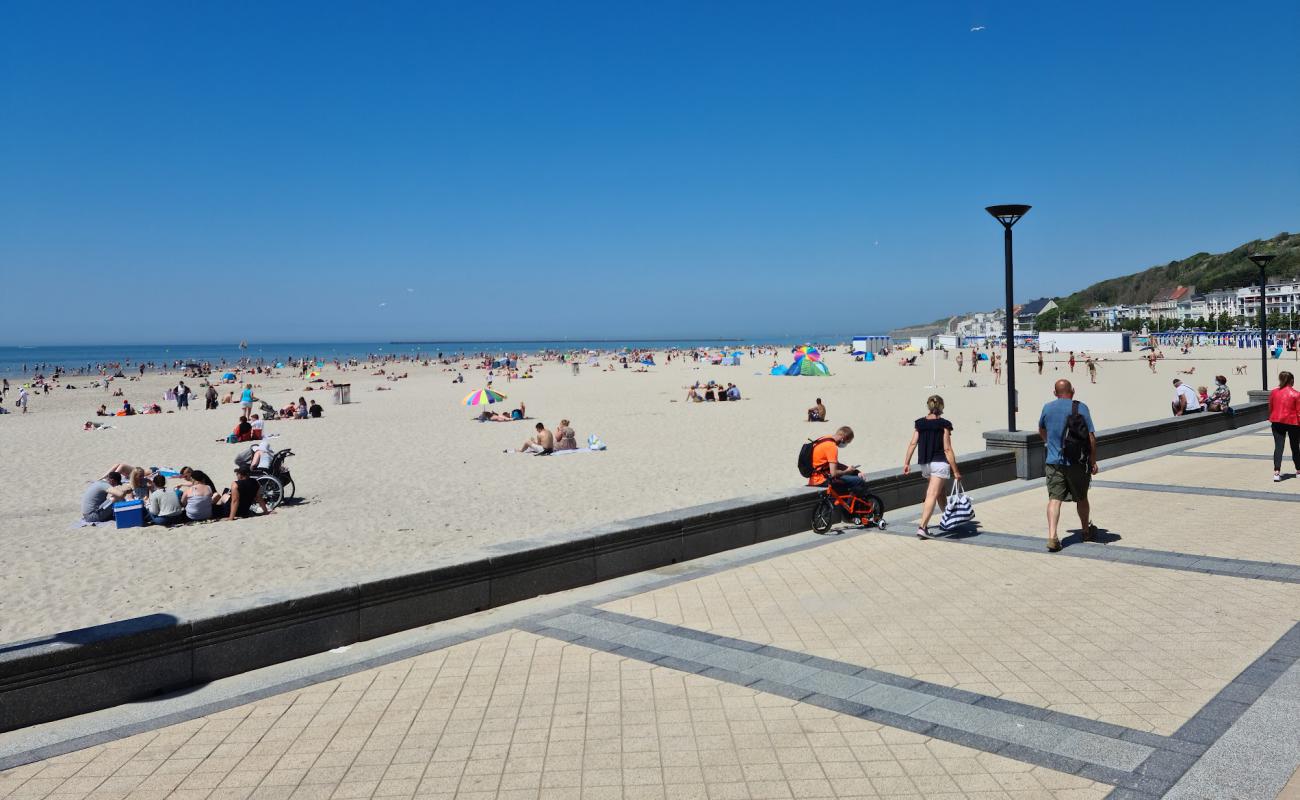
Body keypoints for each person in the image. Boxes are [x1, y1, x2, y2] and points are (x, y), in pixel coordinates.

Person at [1037, 379, 1098, 552]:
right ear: (1073, 390)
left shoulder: (1047, 407)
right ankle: (1086, 531)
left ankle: (1052, 536)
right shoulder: (1081, 407)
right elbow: (1092, 438)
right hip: (1076, 462)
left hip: (1054, 461)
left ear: (1054, 392)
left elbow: (1041, 429)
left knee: (1054, 499)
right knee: (1082, 497)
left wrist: (1049, 443)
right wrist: (1093, 461)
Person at [902, 395, 961, 540]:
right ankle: (923, 527)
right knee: (932, 494)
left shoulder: (920, 423)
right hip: (939, 463)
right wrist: (956, 470)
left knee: (940, 492)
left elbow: (912, 443)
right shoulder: (944, 424)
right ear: (941, 407)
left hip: (925, 464)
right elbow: (947, 449)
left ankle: (948, 519)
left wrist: (906, 462)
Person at [807, 425, 871, 501]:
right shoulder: (832, 447)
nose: (846, 445)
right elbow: (833, 473)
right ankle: (850, 510)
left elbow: (835, 464)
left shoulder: (824, 439)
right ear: (843, 439)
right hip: (822, 480)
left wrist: (855, 471)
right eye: (847, 442)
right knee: (859, 481)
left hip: (814, 478)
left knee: (850, 479)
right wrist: (847, 471)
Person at [1268, 370, 1300, 482]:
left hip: (1277, 421)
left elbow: (1271, 407)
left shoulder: (1274, 392)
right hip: (1293, 422)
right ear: (1291, 380)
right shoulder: (1296, 394)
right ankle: (1298, 470)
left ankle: (1276, 472)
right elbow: (1299, 412)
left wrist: (1271, 417)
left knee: (1278, 447)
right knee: (1295, 447)